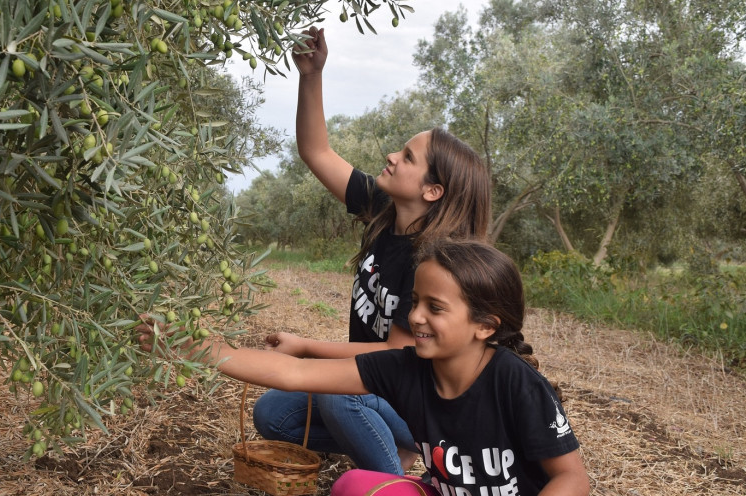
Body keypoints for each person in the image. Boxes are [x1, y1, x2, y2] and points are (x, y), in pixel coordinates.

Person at [137, 239, 590, 495]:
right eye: (415, 301)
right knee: (352, 486)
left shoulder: (514, 381)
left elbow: (571, 477)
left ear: (484, 326)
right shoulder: (406, 368)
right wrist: (204, 348)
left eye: (435, 308)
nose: (414, 317)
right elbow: (294, 374)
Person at [251, 26, 493, 476]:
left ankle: (392, 481)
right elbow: (316, 151)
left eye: (408, 157)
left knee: (339, 395)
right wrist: (311, 74)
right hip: (377, 387)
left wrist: (304, 347)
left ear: (433, 191)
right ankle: (387, 442)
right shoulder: (385, 208)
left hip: (419, 400)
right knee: (273, 414)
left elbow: (392, 356)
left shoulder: (431, 263)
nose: (392, 157)